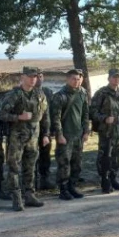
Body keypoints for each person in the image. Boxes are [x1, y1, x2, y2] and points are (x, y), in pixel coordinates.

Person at [0, 66, 50, 211]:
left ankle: (29, 195)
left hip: (34, 137)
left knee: (30, 167)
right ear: (23, 77)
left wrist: (45, 134)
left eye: (36, 76)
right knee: (14, 168)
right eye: (30, 76)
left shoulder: (40, 94)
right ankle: (16, 198)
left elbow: (45, 116)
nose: (33, 79)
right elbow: (1, 114)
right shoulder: (14, 94)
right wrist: (18, 117)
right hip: (17, 138)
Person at [90, 68, 119, 193]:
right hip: (107, 131)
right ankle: (104, 180)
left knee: (117, 157)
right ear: (108, 78)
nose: (116, 79)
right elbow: (92, 111)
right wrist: (104, 118)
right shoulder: (102, 93)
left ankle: (113, 178)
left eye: (118, 77)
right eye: (114, 77)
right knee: (105, 157)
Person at [50, 69, 90, 200]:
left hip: (78, 135)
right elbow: (55, 118)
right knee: (64, 163)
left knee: (77, 163)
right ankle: (63, 189)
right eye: (73, 79)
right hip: (65, 136)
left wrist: (86, 131)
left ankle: (72, 186)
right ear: (67, 79)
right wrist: (59, 135)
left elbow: (85, 114)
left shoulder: (82, 93)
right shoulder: (60, 96)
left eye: (78, 79)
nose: (76, 81)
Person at [35, 71, 55, 190]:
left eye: (40, 76)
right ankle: (32, 182)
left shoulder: (48, 92)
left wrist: (50, 130)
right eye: (36, 76)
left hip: (45, 130)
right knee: (30, 157)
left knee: (45, 155)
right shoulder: (25, 92)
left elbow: (51, 112)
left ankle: (45, 179)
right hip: (29, 131)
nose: (38, 79)